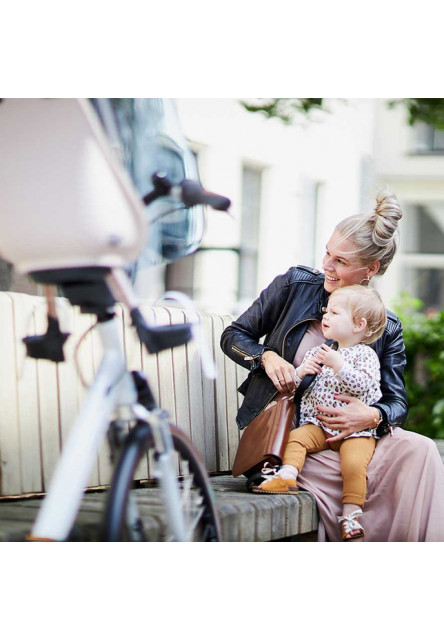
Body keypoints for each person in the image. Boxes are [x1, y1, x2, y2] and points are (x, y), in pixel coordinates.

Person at [220, 193, 444, 542]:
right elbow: (234, 335)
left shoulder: (386, 327)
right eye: (327, 252)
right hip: (292, 439)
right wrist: (266, 357)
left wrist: (371, 416)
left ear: (370, 270)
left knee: (422, 450)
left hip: (354, 437)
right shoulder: (294, 285)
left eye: (340, 261)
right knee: (355, 474)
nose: (326, 264)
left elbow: (397, 404)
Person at [253, 285, 387, 541]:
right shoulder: (319, 352)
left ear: (358, 324)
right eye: (326, 310)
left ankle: (350, 514)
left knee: (354, 464)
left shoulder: (365, 355)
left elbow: (364, 385)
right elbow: (296, 386)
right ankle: (287, 476)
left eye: (335, 312)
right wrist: (301, 372)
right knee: (297, 438)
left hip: (355, 431)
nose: (325, 316)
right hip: (318, 424)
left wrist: (339, 366)